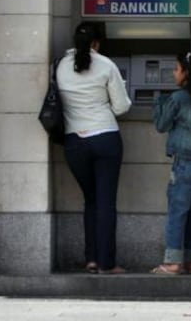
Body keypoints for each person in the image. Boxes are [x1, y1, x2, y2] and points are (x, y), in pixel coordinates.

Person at [57, 21, 132, 274]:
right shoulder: (106, 65)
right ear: (96, 43)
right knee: (106, 202)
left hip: (74, 142)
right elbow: (122, 106)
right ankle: (107, 263)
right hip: (105, 139)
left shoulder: (60, 66)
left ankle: (90, 259)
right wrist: (101, 111)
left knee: (91, 201)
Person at [150, 51, 191, 275]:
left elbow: (161, 125)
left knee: (178, 211)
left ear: (186, 73)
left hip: (186, 164)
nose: (173, 73)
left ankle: (173, 262)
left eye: (176, 69)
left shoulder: (178, 98)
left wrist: (158, 101)